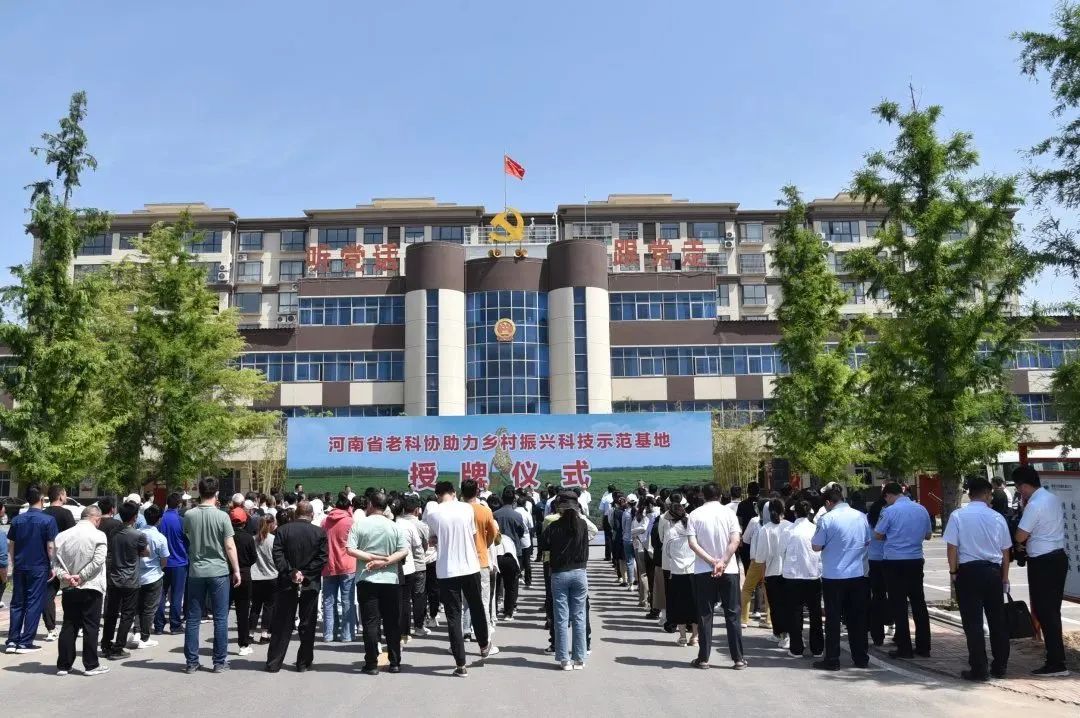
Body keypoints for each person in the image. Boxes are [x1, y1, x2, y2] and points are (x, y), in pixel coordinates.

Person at [423, 480, 497, 678]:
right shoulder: (466, 509)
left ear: (437, 495)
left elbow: (432, 538)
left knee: (453, 616)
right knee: (476, 606)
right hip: (470, 565)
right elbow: (473, 536)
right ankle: (484, 645)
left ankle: (460, 664)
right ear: (454, 492)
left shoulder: (433, 513)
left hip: (447, 570)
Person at [943, 477, 1012, 681]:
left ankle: (979, 668)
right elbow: (1005, 551)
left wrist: (953, 572)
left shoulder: (958, 515)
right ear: (988, 494)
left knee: (973, 623)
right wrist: (1005, 577)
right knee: (997, 621)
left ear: (969, 493)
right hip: (993, 572)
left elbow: (952, 547)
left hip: (969, 572)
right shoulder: (997, 517)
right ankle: (1000, 666)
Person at [1013, 464, 1071, 677]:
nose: (1020, 492)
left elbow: (1020, 535)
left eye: (1018, 488)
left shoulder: (1034, 504)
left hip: (1043, 562)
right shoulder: (1052, 498)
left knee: (1046, 612)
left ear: (1023, 486)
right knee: (1052, 611)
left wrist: (1020, 541)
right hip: (1057, 558)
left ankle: (1056, 663)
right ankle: (1056, 659)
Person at [183, 477, 242, 674]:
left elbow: (188, 537)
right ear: (216, 493)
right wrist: (236, 570)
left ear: (199, 492)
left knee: (193, 618)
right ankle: (219, 661)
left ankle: (192, 662)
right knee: (220, 618)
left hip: (196, 570)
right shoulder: (222, 516)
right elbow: (230, 546)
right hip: (219, 570)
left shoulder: (189, 515)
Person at [811, 486, 872, 671]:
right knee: (857, 618)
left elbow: (816, 546)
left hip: (834, 575)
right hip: (858, 574)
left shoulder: (827, 519)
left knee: (833, 619)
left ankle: (832, 659)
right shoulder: (861, 516)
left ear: (828, 502)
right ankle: (861, 658)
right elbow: (867, 541)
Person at [348, 492, 409, 675]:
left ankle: (371, 663)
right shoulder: (394, 526)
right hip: (390, 579)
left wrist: (370, 557)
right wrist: (386, 561)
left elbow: (350, 549)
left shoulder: (359, 524)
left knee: (370, 622)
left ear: (370, 504)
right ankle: (395, 662)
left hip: (367, 579)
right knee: (392, 622)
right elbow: (404, 551)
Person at [686, 483, 745, 670]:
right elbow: (735, 540)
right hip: (729, 569)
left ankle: (703, 658)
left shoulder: (695, 514)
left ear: (703, 496)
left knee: (705, 614)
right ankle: (738, 658)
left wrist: (712, 561)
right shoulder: (729, 513)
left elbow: (692, 543)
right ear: (720, 496)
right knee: (732, 613)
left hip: (703, 570)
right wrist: (723, 561)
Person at [266, 501, 327, 673]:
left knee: (282, 623)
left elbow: (277, 554)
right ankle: (303, 662)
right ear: (311, 515)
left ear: (295, 514)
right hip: (310, 582)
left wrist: (291, 571)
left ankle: (274, 662)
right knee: (307, 623)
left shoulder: (283, 530)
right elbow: (322, 558)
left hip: (287, 581)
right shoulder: (319, 532)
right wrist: (305, 573)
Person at [874, 481, 932, 659]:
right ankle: (924, 646)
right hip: (915, 560)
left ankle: (904, 647)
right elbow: (928, 535)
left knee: (898, 605)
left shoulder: (889, 511)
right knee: (919, 603)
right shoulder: (921, 509)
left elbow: (878, 534)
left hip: (894, 561)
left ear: (888, 495)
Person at [52, 506, 109, 676]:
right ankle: (91, 665)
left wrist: (66, 576)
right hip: (91, 585)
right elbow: (98, 561)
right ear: (97, 519)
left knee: (69, 624)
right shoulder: (99, 535)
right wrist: (81, 576)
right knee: (91, 626)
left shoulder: (62, 536)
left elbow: (55, 563)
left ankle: (64, 665)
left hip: (69, 585)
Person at [4, 485, 58, 654]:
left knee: (17, 603)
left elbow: (11, 545)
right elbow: (50, 546)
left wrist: (14, 563)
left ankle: (12, 641)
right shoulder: (48, 520)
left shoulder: (17, 520)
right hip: (39, 566)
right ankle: (25, 642)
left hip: (20, 565)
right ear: (41, 500)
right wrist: (53, 565)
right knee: (34, 603)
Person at [540, 492, 590, 670]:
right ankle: (579, 658)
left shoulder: (553, 526)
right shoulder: (582, 524)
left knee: (561, 617)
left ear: (559, 508)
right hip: (579, 572)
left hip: (559, 573)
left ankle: (564, 659)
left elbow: (543, 545)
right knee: (579, 616)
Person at [100, 501, 150, 659]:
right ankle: (118, 647)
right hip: (130, 580)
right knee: (127, 615)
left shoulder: (113, 532)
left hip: (114, 577)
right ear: (135, 517)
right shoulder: (138, 535)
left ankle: (106, 644)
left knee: (111, 613)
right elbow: (146, 552)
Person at [781, 500, 823, 658]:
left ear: (795, 513)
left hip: (793, 576)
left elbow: (781, 552)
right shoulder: (815, 529)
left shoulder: (788, 530)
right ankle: (817, 648)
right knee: (815, 613)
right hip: (813, 575)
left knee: (794, 613)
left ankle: (796, 648)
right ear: (810, 512)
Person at [461, 479, 499, 641]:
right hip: (481, 559)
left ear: (461, 492)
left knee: (465, 601)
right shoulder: (485, 511)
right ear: (477, 491)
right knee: (483, 600)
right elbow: (494, 534)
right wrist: (484, 544)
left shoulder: (458, 511)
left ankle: (465, 631)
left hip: (463, 560)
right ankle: (484, 635)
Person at [660, 493, 698, 648]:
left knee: (679, 604)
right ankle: (695, 637)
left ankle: (682, 637)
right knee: (694, 604)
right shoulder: (692, 527)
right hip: (694, 570)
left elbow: (667, 551)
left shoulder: (670, 531)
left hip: (676, 571)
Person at [41, 483, 76, 643]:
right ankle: (74, 626)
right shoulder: (66, 514)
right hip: (65, 560)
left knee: (48, 595)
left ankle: (51, 629)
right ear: (61, 496)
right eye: (65, 494)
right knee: (71, 592)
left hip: (46, 559)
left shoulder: (43, 514)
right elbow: (73, 538)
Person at [321, 492, 357, 643]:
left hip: (328, 565)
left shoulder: (325, 521)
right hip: (348, 565)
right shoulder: (350, 522)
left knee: (328, 602)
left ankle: (329, 634)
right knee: (347, 601)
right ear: (349, 507)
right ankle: (347, 635)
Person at [134, 505, 169, 650]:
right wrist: (159, 568)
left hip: (136, 575)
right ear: (159, 520)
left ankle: (137, 632)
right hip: (153, 576)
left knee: (138, 607)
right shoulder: (160, 538)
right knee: (149, 608)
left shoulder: (137, 533)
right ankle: (145, 637)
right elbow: (164, 560)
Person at [758, 498, 792, 649]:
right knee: (788, 604)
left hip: (772, 571)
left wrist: (763, 575)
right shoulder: (790, 526)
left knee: (775, 605)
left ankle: (782, 634)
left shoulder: (765, 529)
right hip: (789, 571)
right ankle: (783, 634)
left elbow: (761, 557)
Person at [154, 492, 189, 635]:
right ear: (179, 504)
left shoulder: (160, 521)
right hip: (179, 562)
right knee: (176, 595)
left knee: (160, 594)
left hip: (162, 562)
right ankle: (175, 625)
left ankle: (158, 625)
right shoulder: (181, 521)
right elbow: (188, 540)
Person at [397, 495, 430, 639]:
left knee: (403, 599)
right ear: (417, 510)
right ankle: (418, 626)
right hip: (418, 565)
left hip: (402, 566)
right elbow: (424, 545)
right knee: (419, 597)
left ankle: (403, 628)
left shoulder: (397, 523)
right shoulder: (421, 525)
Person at [491, 492, 525, 619]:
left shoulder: (495, 514)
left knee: (496, 583)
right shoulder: (517, 515)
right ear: (513, 501)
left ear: (502, 499)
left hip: (497, 551)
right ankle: (508, 612)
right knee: (511, 585)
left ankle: (494, 611)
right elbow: (521, 532)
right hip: (512, 551)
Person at [229, 507, 257, 656]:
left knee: (222, 612)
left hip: (227, 573)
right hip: (245, 574)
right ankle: (244, 644)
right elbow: (253, 557)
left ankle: (219, 644)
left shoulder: (227, 537)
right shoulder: (248, 538)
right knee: (243, 611)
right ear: (245, 522)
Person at [739, 501, 771, 629]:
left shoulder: (754, 521)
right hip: (771, 561)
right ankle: (769, 620)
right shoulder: (777, 523)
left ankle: (744, 619)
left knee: (747, 589)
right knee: (768, 590)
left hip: (757, 560)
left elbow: (746, 539)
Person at [866, 492, 892, 647]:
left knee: (877, 596)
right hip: (889, 560)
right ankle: (891, 624)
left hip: (872, 561)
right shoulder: (888, 516)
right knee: (893, 595)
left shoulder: (867, 520)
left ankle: (877, 635)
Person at [249, 514, 278, 644]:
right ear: (271, 524)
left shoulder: (253, 539)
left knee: (255, 606)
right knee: (268, 606)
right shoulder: (273, 540)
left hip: (255, 576)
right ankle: (264, 634)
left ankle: (250, 633)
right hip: (271, 576)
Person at [599, 484, 615, 562]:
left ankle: (608, 556)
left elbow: (601, 509)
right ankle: (615, 556)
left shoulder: (605, 498)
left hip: (606, 516)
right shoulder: (617, 497)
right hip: (615, 516)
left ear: (608, 490)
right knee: (615, 536)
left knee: (608, 536)